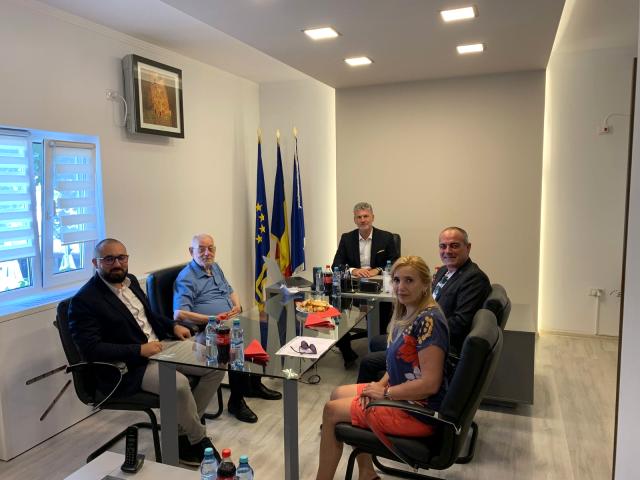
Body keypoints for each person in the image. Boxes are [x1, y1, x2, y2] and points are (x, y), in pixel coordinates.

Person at [68, 238, 224, 467]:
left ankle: (182, 433)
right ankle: (198, 439)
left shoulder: (130, 281)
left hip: (161, 347)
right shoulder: (85, 300)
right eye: (109, 259)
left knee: (217, 362)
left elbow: (150, 316)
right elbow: (91, 349)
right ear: (95, 262)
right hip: (131, 366)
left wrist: (173, 326)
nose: (117, 264)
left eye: (121, 257)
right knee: (178, 385)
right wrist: (139, 350)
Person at [315, 256, 449, 480]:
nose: (401, 287)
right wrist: (378, 385)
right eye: (396, 280)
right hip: (402, 395)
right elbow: (400, 365)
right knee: (338, 393)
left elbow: (430, 384)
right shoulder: (408, 311)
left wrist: (385, 394)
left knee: (331, 411)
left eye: (409, 280)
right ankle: (367, 473)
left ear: (426, 284)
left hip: (418, 411)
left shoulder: (430, 321)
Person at [357, 226, 491, 384]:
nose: (447, 251)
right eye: (443, 246)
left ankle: (374, 395)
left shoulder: (474, 279)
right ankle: (392, 379)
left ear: (468, 247)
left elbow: (460, 324)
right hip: (425, 327)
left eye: (454, 246)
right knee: (376, 341)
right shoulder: (444, 270)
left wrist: (417, 329)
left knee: (368, 362)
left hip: (438, 343)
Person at [173, 233, 282, 424]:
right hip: (207, 329)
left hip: (229, 321)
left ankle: (254, 384)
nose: (207, 253)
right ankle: (236, 401)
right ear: (191, 251)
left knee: (262, 329)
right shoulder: (186, 278)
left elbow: (231, 291)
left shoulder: (215, 267)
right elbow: (179, 314)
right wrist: (212, 318)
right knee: (237, 342)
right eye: (201, 249)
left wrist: (237, 306)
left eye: (211, 248)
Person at [332, 202, 399, 366]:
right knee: (337, 313)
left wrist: (378, 270)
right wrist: (354, 270)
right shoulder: (347, 238)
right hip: (354, 288)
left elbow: (396, 262)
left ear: (372, 217)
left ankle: (377, 357)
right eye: (359, 217)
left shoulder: (387, 237)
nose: (363, 220)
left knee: (380, 319)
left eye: (366, 216)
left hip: (379, 287)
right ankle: (347, 353)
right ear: (355, 220)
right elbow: (336, 264)